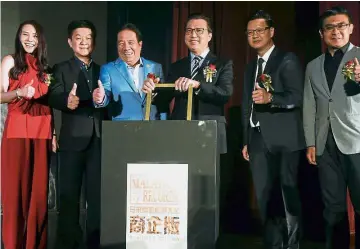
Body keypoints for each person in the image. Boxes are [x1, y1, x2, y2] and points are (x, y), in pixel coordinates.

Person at [142, 13, 233, 234]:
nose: (194, 35)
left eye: (199, 30)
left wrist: (198, 85)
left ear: (209, 35)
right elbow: (165, 99)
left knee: (208, 190)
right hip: (180, 134)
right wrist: (152, 92)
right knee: (181, 188)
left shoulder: (222, 64)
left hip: (209, 134)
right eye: (189, 31)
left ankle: (208, 237)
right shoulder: (177, 66)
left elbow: (224, 93)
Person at [241, 10, 305, 249]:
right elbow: (247, 107)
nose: (254, 35)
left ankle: (292, 245)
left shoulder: (286, 60)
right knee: (264, 198)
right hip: (257, 139)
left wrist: (271, 98)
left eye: (259, 30)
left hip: (285, 140)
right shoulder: (250, 67)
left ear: (271, 32)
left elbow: (297, 98)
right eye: (250, 32)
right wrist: (247, 140)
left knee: (287, 197)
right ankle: (273, 244)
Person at [303, 6, 360, 249]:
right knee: (333, 207)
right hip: (325, 144)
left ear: (351, 29)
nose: (336, 31)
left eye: (341, 26)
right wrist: (311, 142)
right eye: (330, 27)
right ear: (321, 33)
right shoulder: (313, 66)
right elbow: (309, 105)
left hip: (356, 140)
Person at [48, 20, 105, 249]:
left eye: (88, 37)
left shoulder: (103, 70)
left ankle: (95, 242)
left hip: (99, 140)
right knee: (69, 197)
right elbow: (53, 96)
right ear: (70, 42)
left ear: (94, 42)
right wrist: (66, 101)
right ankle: (67, 243)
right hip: (72, 140)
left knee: (97, 199)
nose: (84, 42)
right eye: (79, 38)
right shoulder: (61, 68)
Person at [1, 20, 52, 249]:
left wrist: (54, 133)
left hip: (41, 133)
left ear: (40, 39)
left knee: (38, 197)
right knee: (15, 195)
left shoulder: (44, 69)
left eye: (34, 35)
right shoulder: (10, 61)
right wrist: (19, 91)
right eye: (25, 34)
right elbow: (0, 96)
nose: (30, 39)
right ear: (19, 37)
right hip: (17, 132)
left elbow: (48, 103)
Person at [93, 23, 165, 120]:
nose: (126, 48)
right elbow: (105, 94)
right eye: (121, 43)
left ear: (140, 45)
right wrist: (100, 98)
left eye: (130, 42)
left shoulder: (155, 67)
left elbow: (163, 100)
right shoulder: (108, 69)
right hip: (123, 129)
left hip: (153, 127)